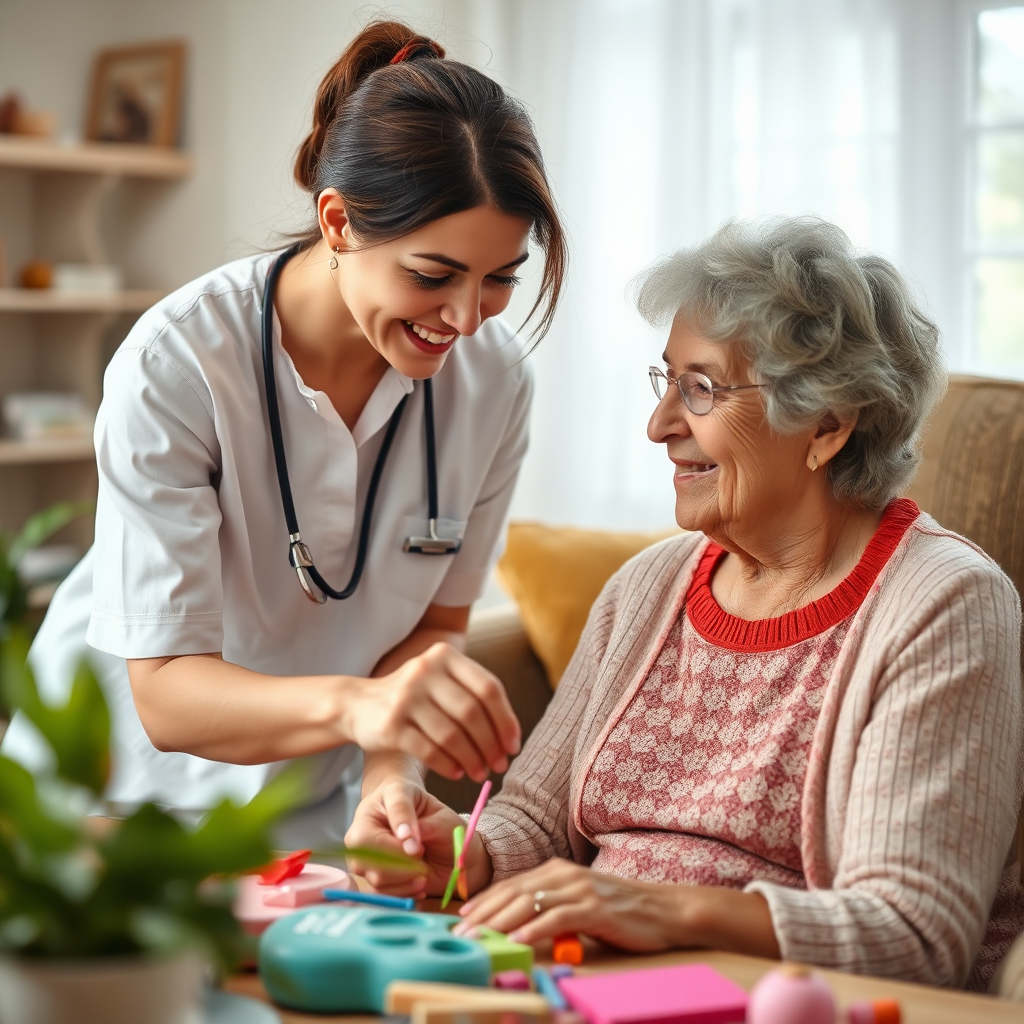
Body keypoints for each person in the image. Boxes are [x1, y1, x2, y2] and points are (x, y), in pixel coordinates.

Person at [347, 217, 1024, 990]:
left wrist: (656, 909)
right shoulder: (647, 588)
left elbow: (911, 932)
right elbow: (533, 818)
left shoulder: (943, 604)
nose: (660, 425)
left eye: (700, 388)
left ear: (827, 424)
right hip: (596, 982)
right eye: (665, 381)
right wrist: (469, 854)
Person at [1, 21, 567, 846]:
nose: (465, 319)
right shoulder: (179, 362)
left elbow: (429, 635)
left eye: (499, 280)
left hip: (301, 821)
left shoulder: (495, 381)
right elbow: (165, 693)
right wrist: (363, 709)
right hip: (105, 814)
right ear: (337, 222)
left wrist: (390, 779)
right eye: (432, 275)